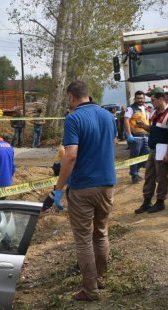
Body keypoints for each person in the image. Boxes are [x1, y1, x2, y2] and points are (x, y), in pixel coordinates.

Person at [51, 80, 116, 302]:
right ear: (88, 94)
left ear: (71, 98)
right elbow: (112, 143)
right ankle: (100, 278)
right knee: (101, 233)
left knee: (83, 240)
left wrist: (58, 189)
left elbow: (70, 155)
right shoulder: (108, 116)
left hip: (83, 187)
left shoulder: (73, 118)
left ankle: (90, 291)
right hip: (107, 184)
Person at [133, 87, 168, 214]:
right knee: (149, 176)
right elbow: (153, 129)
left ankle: (160, 202)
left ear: (161, 99)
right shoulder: (154, 113)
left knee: (161, 177)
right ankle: (147, 201)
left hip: (162, 150)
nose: (151, 102)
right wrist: (143, 126)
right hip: (153, 149)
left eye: (153, 100)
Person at [124, 91, 151, 184]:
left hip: (146, 136)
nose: (140, 100)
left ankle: (134, 171)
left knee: (145, 156)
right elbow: (126, 121)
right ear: (135, 99)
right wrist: (129, 134)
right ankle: (134, 175)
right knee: (134, 156)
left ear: (144, 99)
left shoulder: (147, 108)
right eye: (138, 98)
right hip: (136, 137)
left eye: (142, 98)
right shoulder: (131, 108)